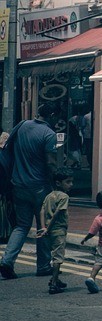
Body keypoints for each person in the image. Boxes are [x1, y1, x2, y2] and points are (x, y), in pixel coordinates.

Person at [0, 102, 59, 280]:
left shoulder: (22, 125)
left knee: (21, 226)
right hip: (40, 186)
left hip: (18, 185)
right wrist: (55, 185)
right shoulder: (49, 134)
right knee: (44, 226)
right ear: (52, 115)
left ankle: (7, 260)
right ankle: (43, 265)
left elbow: (7, 148)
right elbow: (50, 163)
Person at [35, 171, 74, 294]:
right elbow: (57, 213)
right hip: (58, 230)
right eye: (68, 182)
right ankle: (53, 283)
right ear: (58, 183)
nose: (71, 184)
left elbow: (41, 211)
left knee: (53, 254)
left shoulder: (49, 195)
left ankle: (56, 279)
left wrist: (43, 227)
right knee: (58, 258)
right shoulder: (64, 197)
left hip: (48, 231)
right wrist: (48, 228)